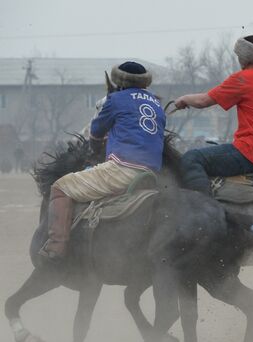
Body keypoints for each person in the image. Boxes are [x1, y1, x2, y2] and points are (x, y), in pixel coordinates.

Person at [39, 61, 165, 261]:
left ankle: (56, 248)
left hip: (121, 170)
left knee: (60, 188)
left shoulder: (115, 99)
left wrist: (97, 147)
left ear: (119, 80)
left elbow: (96, 133)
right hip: (151, 173)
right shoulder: (157, 103)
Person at [172, 35, 253, 193]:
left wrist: (184, 99)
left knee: (192, 158)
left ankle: (205, 207)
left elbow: (203, 101)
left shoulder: (243, 79)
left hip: (250, 152)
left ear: (245, 58)